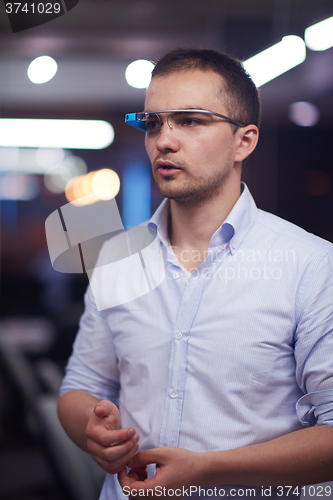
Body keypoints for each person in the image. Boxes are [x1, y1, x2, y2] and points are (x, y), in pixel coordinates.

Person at [57, 48, 333, 500]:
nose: (164, 139)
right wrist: (92, 429)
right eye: (153, 123)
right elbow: (79, 388)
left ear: (244, 141)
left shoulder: (311, 264)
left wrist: (206, 470)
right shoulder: (119, 259)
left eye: (190, 120)